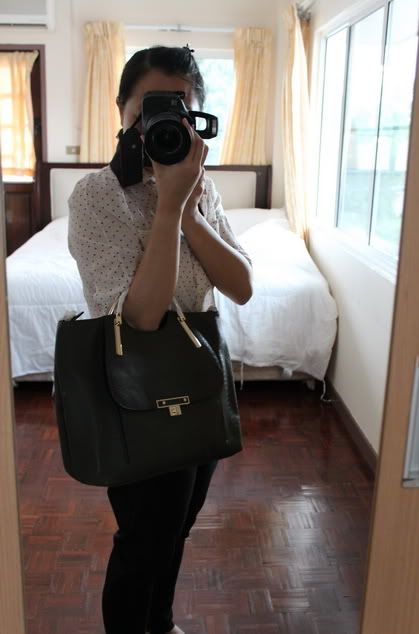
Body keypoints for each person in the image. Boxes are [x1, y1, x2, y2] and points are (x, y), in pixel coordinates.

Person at [68, 45, 253, 634]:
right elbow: (141, 319)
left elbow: (241, 286)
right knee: (143, 540)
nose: (161, 125)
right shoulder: (95, 196)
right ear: (122, 110)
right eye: (149, 109)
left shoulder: (201, 187)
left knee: (179, 528)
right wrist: (169, 206)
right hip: (134, 394)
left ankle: (163, 623)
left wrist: (189, 207)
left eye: (178, 110)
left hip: (200, 384)